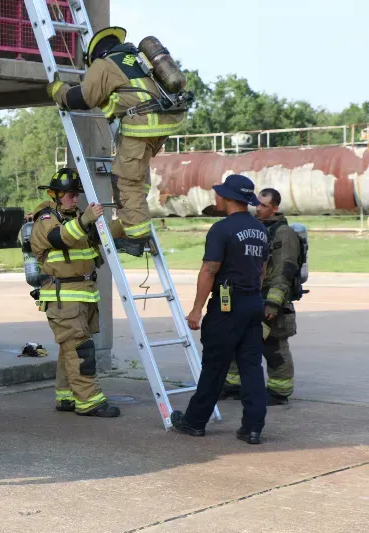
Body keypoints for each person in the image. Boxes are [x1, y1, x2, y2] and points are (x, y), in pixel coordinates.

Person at [45, 26, 185, 257]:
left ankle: (137, 238)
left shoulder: (104, 64)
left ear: (96, 54)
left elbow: (82, 98)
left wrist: (58, 90)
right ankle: (137, 221)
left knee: (125, 182)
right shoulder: (136, 60)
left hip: (141, 125)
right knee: (136, 175)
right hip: (162, 123)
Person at [170, 174, 269, 445]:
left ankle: (194, 422)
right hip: (253, 302)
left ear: (227, 198)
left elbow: (209, 270)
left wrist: (196, 309)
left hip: (227, 307)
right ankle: (253, 427)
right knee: (251, 365)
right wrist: (252, 296)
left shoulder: (221, 229)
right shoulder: (261, 230)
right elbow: (262, 270)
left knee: (215, 364)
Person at [29, 168, 121, 418]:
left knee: (69, 348)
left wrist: (125, 224)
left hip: (83, 294)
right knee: (81, 349)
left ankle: (66, 397)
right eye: (70, 194)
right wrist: (85, 220)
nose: (74, 198)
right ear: (55, 195)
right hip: (63, 298)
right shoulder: (46, 219)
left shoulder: (77, 218)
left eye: (76, 194)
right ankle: (90, 402)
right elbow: (59, 238)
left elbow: (97, 238)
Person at [221, 188, 299, 405]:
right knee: (237, 341)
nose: (258, 209)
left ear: (275, 207)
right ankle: (233, 385)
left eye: (264, 205)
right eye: (257, 204)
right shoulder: (256, 228)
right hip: (251, 297)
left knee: (273, 347)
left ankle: (279, 391)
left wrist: (273, 303)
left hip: (272, 301)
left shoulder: (284, 234)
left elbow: (285, 270)